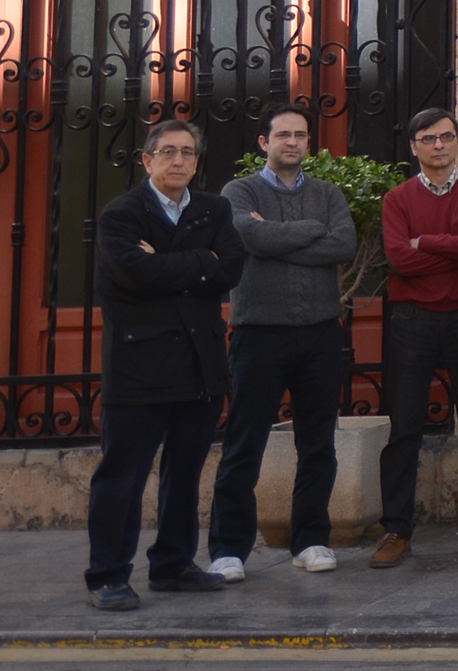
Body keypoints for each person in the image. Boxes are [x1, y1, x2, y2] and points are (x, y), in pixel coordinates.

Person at [83, 119, 247, 610]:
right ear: (146, 159)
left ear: (197, 161)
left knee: (186, 473)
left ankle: (173, 564)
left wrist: (169, 264)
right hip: (139, 364)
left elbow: (230, 269)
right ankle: (108, 575)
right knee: (122, 477)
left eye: (188, 152)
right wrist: (200, 260)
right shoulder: (121, 214)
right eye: (168, 151)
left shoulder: (215, 208)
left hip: (200, 362)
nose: (179, 160)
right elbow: (133, 273)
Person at [207, 104, 357, 581]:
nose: (292, 142)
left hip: (320, 333)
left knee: (318, 444)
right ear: (264, 143)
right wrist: (309, 231)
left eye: (301, 135)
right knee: (243, 444)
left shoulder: (327, 193)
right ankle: (228, 549)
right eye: (283, 135)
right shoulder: (239, 191)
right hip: (259, 334)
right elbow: (249, 237)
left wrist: (275, 238)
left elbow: (344, 245)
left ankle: (310, 540)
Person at [372, 107, 458, 571]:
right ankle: (396, 529)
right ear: (414, 147)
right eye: (428, 139)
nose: (439, 146)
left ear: (457, 141)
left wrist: (425, 242)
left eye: (447, 136)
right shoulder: (397, 199)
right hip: (413, 321)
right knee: (404, 426)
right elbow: (398, 260)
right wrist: (453, 247)